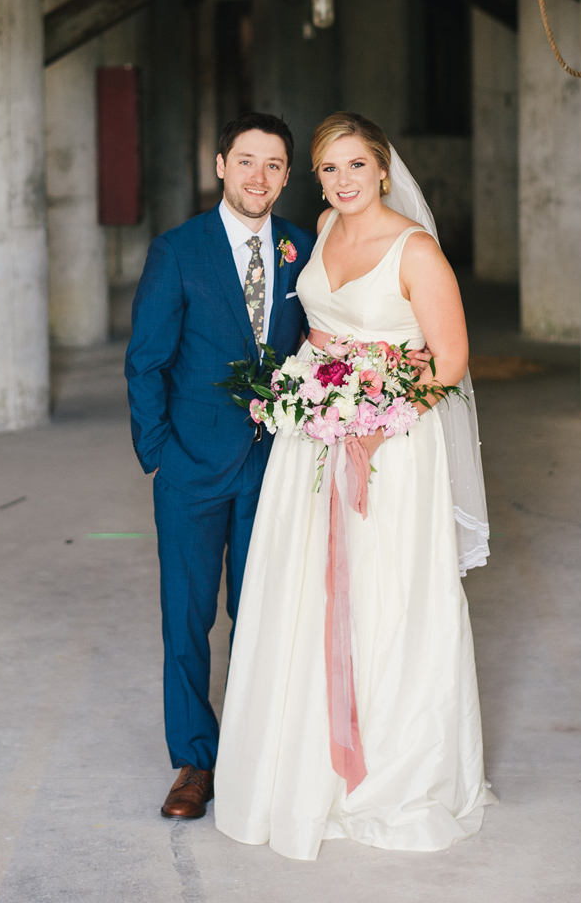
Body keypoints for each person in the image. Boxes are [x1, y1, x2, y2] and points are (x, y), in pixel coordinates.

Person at [214, 111, 494, 859]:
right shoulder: (322, 233)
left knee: (383, 597)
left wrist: (377, 420)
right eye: (328, 170)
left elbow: (451, 359)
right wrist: (306, 398)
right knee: (303, 594)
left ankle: (391, 769)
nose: (342, 182)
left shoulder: (417, 250)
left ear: (382, 168)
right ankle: (304, 760)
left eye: (355, 167)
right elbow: (316, 332)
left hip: (392, 448)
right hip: (313, 434)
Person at [125, 112, 315, 821]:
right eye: (245, 161)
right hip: (192, 467)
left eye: (272, 165)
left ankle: (256, 752)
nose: (258, 176)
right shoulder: (178, 251)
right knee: (188, 617)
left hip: (279, 465)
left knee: (264, 614)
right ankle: (194, 762)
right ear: (220, 165)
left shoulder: (305, 245)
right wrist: (160, 456)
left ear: (286, 175)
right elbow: (146, 361)